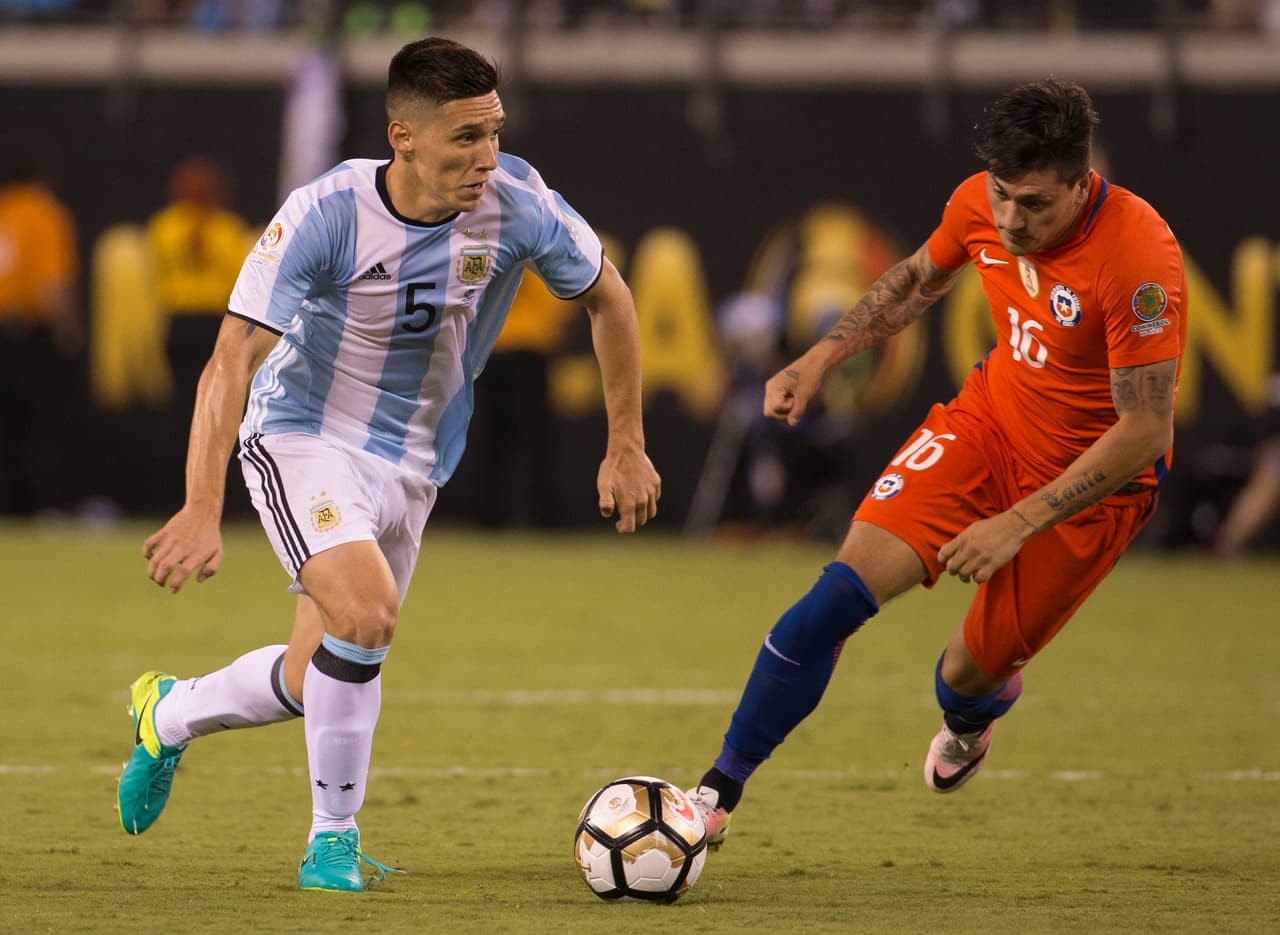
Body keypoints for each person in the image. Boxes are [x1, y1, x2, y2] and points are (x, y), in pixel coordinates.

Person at [117, 37, 662, 892]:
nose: (486, 158)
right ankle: (330, 841)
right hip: (302, 434)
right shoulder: (326, 212)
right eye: (464, 140)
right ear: (401, 137)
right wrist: (199, 501)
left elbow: (609, 296)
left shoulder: (519, 200)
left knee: (312, 676)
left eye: (493, 132)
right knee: (366, 617)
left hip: (416, 462)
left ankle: (168, 711)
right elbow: (231, 355)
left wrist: (625, 441)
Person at [684, 78, 1186, 849]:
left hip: (1089, 491)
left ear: (1083, 183)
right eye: (1003, 195)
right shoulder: (979, 202)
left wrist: (1016, 523)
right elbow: (918, 279)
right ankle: (714, 793)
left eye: (1036, 204)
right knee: (836, 596)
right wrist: (820, 357)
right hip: (986, 427)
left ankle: (971, 714)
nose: (1011, 219)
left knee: (966, 674)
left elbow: (1147, 429)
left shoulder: (1139, 257)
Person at [0, 140, 81, 515]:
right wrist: (67, 328)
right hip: (28, 333)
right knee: (41, 420)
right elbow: (51, 283)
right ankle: (45, 504)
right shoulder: (44, 214)